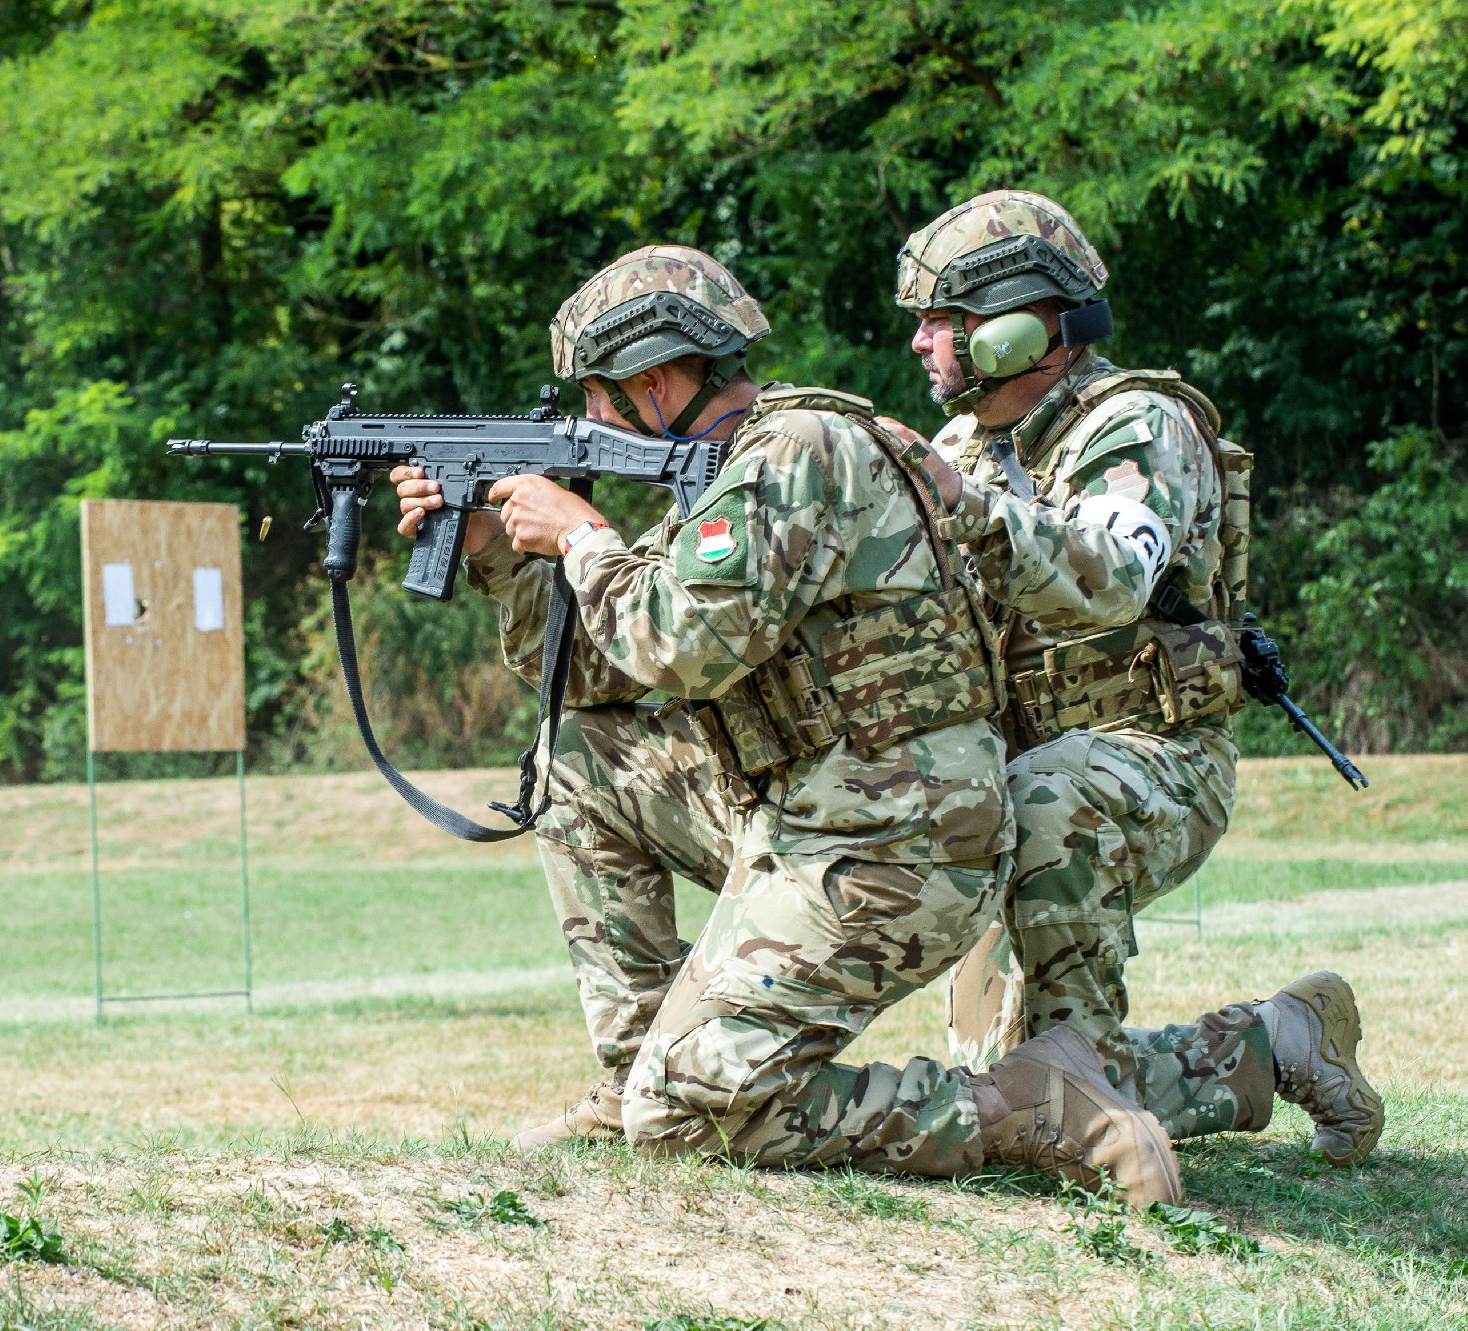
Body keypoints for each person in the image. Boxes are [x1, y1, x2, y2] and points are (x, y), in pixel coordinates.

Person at [392, 245, 1182, 1202]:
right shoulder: (730, 477)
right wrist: (496, 555)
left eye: (597, 397)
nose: (587, 421)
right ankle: (638, 1067)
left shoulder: (796, 455)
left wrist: (583, 536)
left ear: (656, 380)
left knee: (683, 1119)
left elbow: (677, 644)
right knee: (574, 759)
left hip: (900, 838)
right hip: (805, 810)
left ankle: (1029, 1102)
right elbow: (593, 671)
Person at [896, 190, 1383, 1165]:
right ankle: (1275, 1039)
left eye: (939, 317)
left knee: (1045, 809)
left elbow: (1111, 577)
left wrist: (960, 510)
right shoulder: (963, 451)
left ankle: (1088, 1109)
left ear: (1019, 326)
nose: (916, 341)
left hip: (1152, 760)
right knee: (1001, 1083)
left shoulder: (1138, 428)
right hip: (1022, 775)